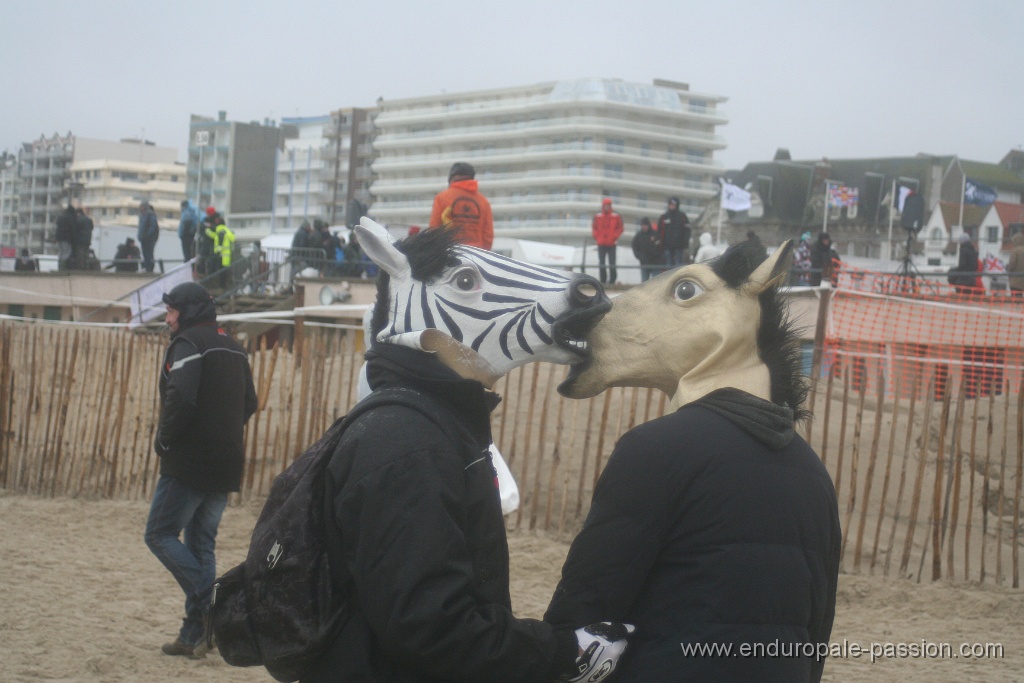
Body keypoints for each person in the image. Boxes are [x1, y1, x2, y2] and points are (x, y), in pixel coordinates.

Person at [144, 282, 256, 659]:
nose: (168, 317)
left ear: (189, 312)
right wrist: (222, 432)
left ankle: (211, 607)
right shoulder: (235, 348)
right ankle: (194, 636)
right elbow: (250, 403)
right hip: (226, 463)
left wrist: (164, 440)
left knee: (158, 533)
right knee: (201, 544)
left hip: (190, 462)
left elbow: (182, 399)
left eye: (172, 310)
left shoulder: (188, 345)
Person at [428, 161, 494, 250]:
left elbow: (434, 230)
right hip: (476, 255)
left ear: (452, 178)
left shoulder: (441, 198)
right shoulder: (483, 201)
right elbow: (488, 236)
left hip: (450, 253)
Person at [591, 198, 624, 284]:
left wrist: (614, 236)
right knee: (602, 263)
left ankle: (612, 280)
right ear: (603, 206)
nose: (606, 207)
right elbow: (594, 228)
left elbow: (620, 228)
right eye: (605, 205)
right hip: (601, 243)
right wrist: (597, 237)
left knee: (612, 263)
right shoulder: (598, 216)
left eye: (608, 205)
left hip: (612, 243)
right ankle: (603, 281)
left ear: (610, 206)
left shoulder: (616, 215)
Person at [657, 197, 691, 269]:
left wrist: (685, 243)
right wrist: (661, 243)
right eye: (670, 204)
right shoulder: (664, 217)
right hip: (667, 246)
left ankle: (677, 278)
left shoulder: (682, 216)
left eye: (673, 205)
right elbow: (659, 230)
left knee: (678, 264)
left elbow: (687, 230)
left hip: (679, 246)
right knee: (668, 264)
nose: (672, 206)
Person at [206, 214, 236, 289]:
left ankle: (219, 286)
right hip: (227, 256)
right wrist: (208, 231)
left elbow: (219, 242)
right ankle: (223, 286)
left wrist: (207, 230)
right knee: (224, 273)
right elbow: (215, 236)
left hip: (220, 256)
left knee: (219, 272)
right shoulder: (227, 231)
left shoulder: (220, 231)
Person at [631, 217, 662, 282]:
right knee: (644, 284)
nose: (644, 227)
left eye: (645, 225)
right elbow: (634, 246)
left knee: (657, 283)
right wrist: (639, 256)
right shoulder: (638, 236)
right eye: (643, 225)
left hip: (655, 263)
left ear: (648, 225)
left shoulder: (655, 234)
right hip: (644, 263)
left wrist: (657, 255)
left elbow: (661, 246)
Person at [137, 200, 160, 273]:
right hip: (143, 238)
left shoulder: (150, 214)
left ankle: (149, 268)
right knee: (145, 253)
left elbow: (153, 226)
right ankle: (146, 267)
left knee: (149, 253)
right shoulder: (142, 215)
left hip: (149, 238)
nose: (141, 208)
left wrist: (147, 234)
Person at [197, 207, 219, 276]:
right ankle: (202, 272)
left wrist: (208, 228)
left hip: (212, 243)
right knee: (203, 257)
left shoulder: (217, 220)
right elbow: (200, 228)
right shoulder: (205, 220)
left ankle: (211, 274)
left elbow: (217, 229)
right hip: (205, 242)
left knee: (211, 259)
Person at [55, 204, 77, 271]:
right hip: (67, 239)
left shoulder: (60, 217)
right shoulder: (70, 218)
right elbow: (72, 229)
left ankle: (59, 267)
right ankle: (63, 268)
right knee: (66, 253)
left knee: (61, 253)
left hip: (59, 239)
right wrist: (74, 239)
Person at [1007, 231, 1024, 298]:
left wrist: (1009, 271)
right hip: (1022, 280)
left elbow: (1012, 263)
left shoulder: (1015, 251)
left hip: (1015, 280)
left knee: (1014, 298)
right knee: (1019, 298)